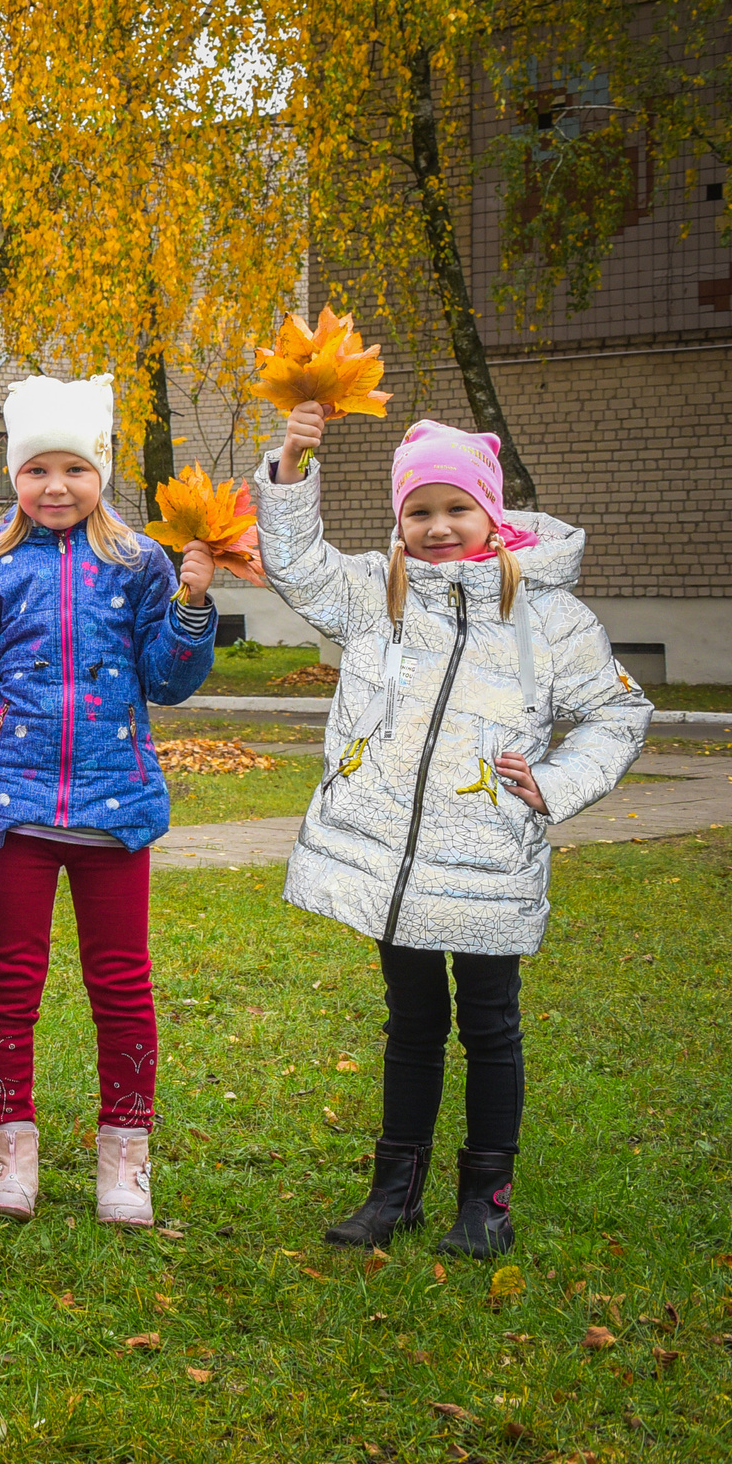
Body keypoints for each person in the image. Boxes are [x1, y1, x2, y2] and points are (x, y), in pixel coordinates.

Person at [259, 408, 648, 1257]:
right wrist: (292, 462)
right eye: (419, 512)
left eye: (456, 509)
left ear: (491, 514)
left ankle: (487, 1199)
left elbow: (617, 712)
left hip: (488, 862)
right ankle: (392, 1194)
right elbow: (293, 562)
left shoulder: (546, 613)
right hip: (394, 866)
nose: (438, 528)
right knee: (411, 1022)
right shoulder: (375, 593)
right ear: (399, 520)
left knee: (489, 1024)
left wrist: (553, 783)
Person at [0, 374, 218, 1228]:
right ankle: (10, 1153)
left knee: (122, 984)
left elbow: (168, 682)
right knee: (9, 982)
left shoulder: (140, 565)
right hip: (17, 814)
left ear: (100, 471)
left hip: (115, 812)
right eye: (37, 470)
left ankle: (125, 1158)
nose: (55, 487)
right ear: (14, 476)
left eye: (73, 468)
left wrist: (192, 608)